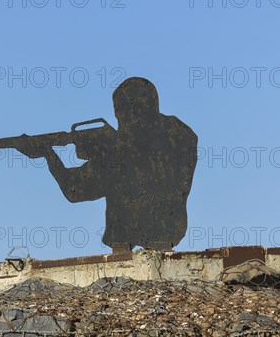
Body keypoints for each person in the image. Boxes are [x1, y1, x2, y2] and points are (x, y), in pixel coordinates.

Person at [27, 77, 198, 253]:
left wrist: (48, 154)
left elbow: (75, 189)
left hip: (127, 243)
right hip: (165, 234)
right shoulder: (180, 134)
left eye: (120, 111)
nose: (118, 117)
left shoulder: (120, 150)